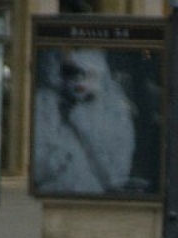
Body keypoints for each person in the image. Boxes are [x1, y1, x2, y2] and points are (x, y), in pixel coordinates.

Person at [32, 48, 138, 194]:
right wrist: (63, 154)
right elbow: (34, 171)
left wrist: (83, 128)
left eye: (88, 73)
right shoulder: (44, 102)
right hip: (52, 197)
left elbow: (116, 176)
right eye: (71, 72)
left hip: (94, 204)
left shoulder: (113, 107)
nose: (79, 80)